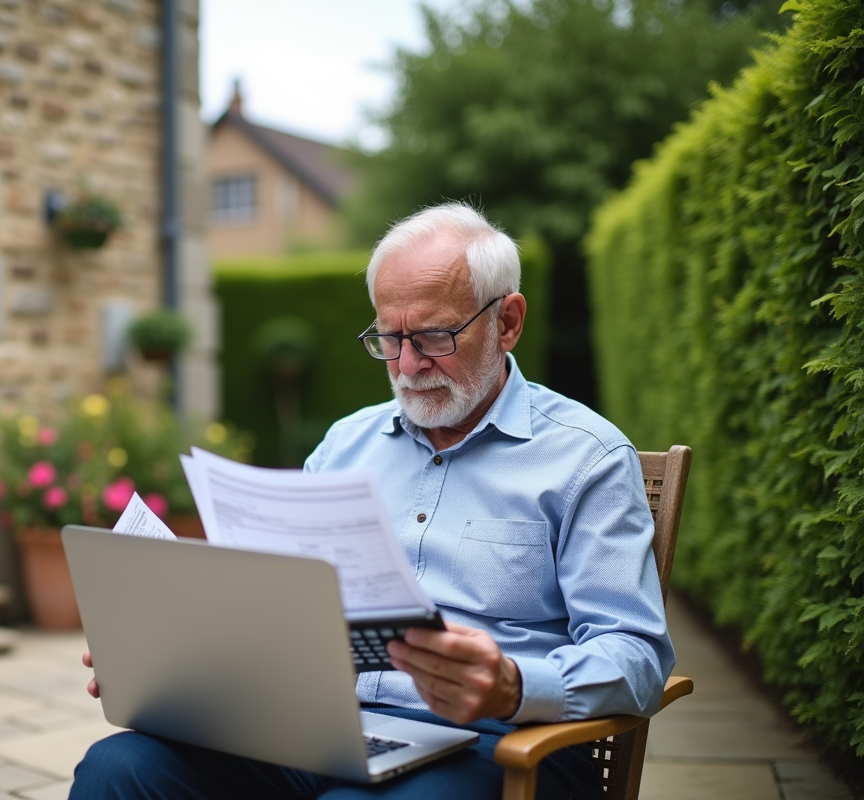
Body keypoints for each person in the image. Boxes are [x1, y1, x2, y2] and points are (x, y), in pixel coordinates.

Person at [70, 201, 675, 799]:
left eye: (435, 336)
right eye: (390, 337)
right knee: (118, 768)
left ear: (508, 321)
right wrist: (165, 651)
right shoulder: (344, 445)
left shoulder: (586, 458)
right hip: (321, 726)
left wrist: (515, 685)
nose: (408, 365)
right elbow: (268, 603)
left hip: (496, 740)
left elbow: (639, 656)